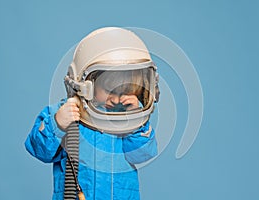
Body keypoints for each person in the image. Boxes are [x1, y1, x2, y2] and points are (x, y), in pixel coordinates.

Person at [25, 27, 160, 200]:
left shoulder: (128, 121)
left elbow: (142, 154)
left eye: (126, 89)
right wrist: (57, 124)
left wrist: (136, 120)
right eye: (109, 87)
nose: (117, 96)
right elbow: (39, 150)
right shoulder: (65, 113)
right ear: (85, 83)